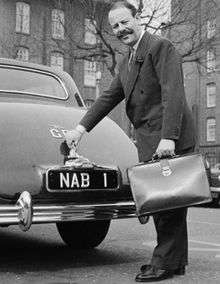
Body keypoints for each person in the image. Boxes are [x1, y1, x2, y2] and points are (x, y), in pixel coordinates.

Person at [65, 0, 196, 282]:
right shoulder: (127, 60)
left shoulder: (160, 46)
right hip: (151, 139)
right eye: (115, 26)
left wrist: (168, 138)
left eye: (125, 22)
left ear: (137, 19)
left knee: (166, 204)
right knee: (165, 201)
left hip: (166, 138)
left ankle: (163, 263)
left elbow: (173, 94)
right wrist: (80, 129)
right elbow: (109, 97)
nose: (120, 29)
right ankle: (174, 263)